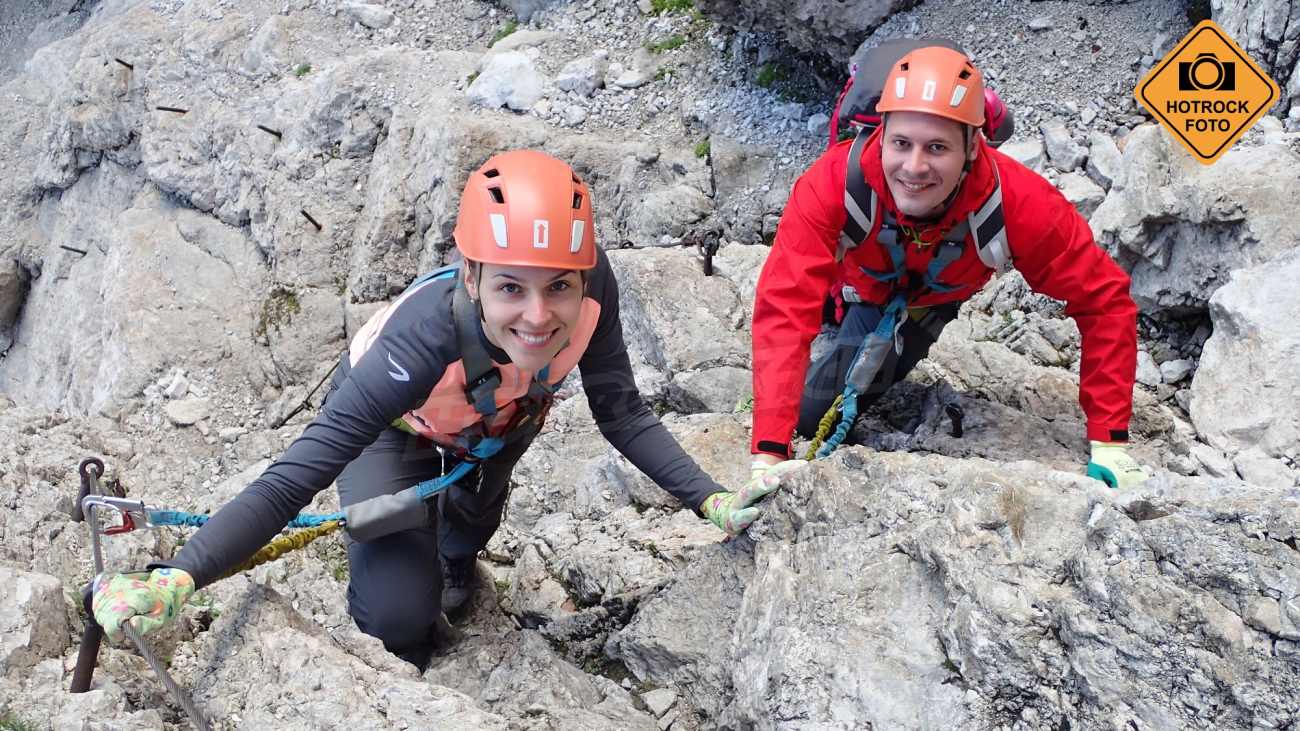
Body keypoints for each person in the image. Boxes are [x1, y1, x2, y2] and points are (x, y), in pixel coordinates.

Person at [91, 150, 797, 671]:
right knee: (401, 617)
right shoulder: (420, 338)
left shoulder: (594, 287)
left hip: (499, 424)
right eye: (511, 288)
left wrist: (716, 502)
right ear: (471, 275)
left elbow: (623, 414)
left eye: (559, 287)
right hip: (398, 427)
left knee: (466, 541)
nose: (539, 313)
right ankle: (399, 557)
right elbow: (295, 475)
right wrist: (181, 574)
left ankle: (454, 556)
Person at [750, 46, 1151, 490]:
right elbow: (785, 308)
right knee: (803, 417)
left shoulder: (1019, 204)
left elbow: (1105, 301)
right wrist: (769, 452)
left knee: (818, 408)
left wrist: (1110, 440)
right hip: (861, 281)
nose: (915, 167)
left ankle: (862, 327)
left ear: (973, 147)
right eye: (901, 143)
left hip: (931, 299)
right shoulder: (831, 185)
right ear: (880, 135)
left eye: (937, 148)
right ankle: (839, 314)